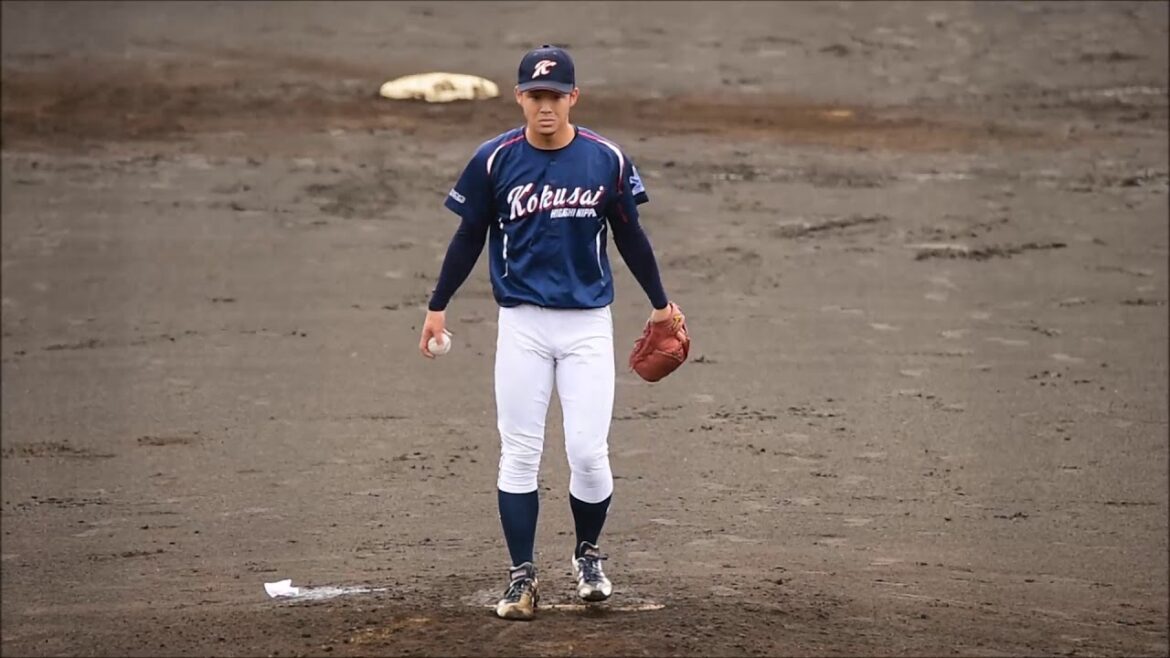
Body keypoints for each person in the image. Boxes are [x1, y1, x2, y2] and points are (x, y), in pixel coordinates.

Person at [418, 44, 677, 621]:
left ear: (573, 98)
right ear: (519, 97)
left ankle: (588, 555)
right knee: (519, 452)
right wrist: (438, 305)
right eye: (535, 95)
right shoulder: (494, 160)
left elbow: (631, 236)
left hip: (588, 326)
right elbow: (468, 237)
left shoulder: (606, 160)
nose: (545, 106)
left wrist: (660, 305)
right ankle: (521, 576)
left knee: (587, 451)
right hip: (522, 324)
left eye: (555, 96)